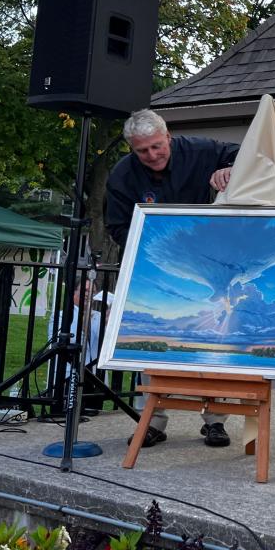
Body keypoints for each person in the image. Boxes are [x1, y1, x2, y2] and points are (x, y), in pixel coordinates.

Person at [104, 108, 239, 448]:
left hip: (208, 269)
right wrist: (158, 250)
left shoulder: (202, 150)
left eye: (156, 146)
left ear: (168, 137)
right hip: (154, 272)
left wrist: (231, 169)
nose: (152, 155)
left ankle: (215, 421)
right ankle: (151, 421)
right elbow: (117, 227)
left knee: (213, 342)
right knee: (150, 344)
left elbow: (251, 153)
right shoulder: (121, 176)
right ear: (132, 149)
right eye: (142, 150)